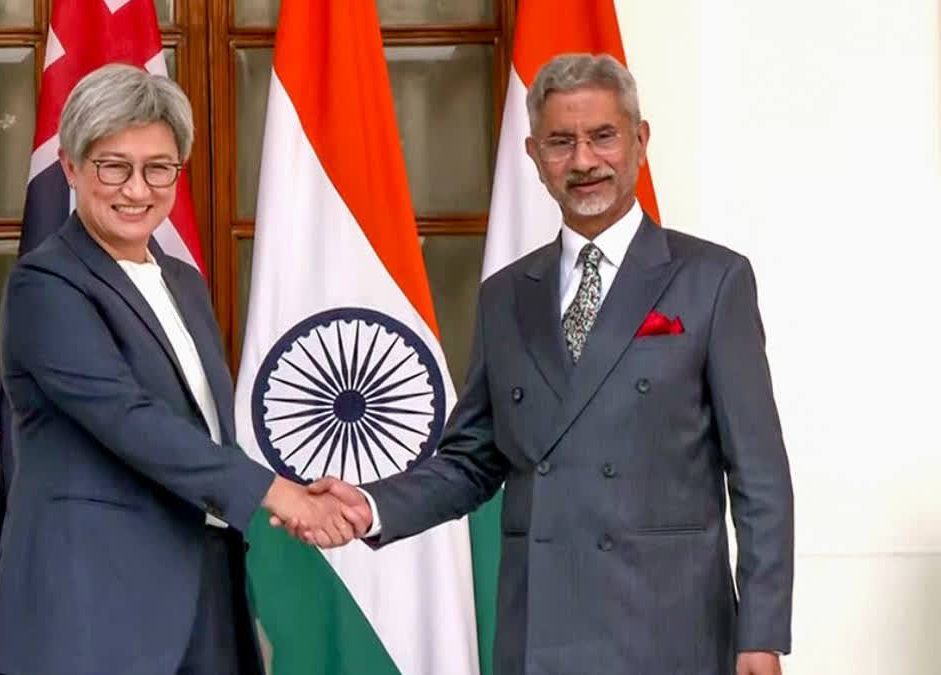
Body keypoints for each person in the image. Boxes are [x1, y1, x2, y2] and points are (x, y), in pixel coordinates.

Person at [289, 53, 794, 675]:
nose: (583, 161)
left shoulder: (713, 280)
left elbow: (760, 477)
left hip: (672, 631)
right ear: (534, 155)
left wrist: (761, 635)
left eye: (602, 137)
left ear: (640, 141)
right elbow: (472, 460)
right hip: (542, 633)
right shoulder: (506, 296)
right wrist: (371, 505)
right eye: (561, 142)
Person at [0, 64, 356, 675]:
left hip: (205, 585)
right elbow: (132, 421)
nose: (138, 189)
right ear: (72, 167)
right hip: (97, 605)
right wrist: (277, 493)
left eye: (159, 167)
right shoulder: (46, 284)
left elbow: (204, 430)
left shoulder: (181, 282)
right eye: (114, 165)